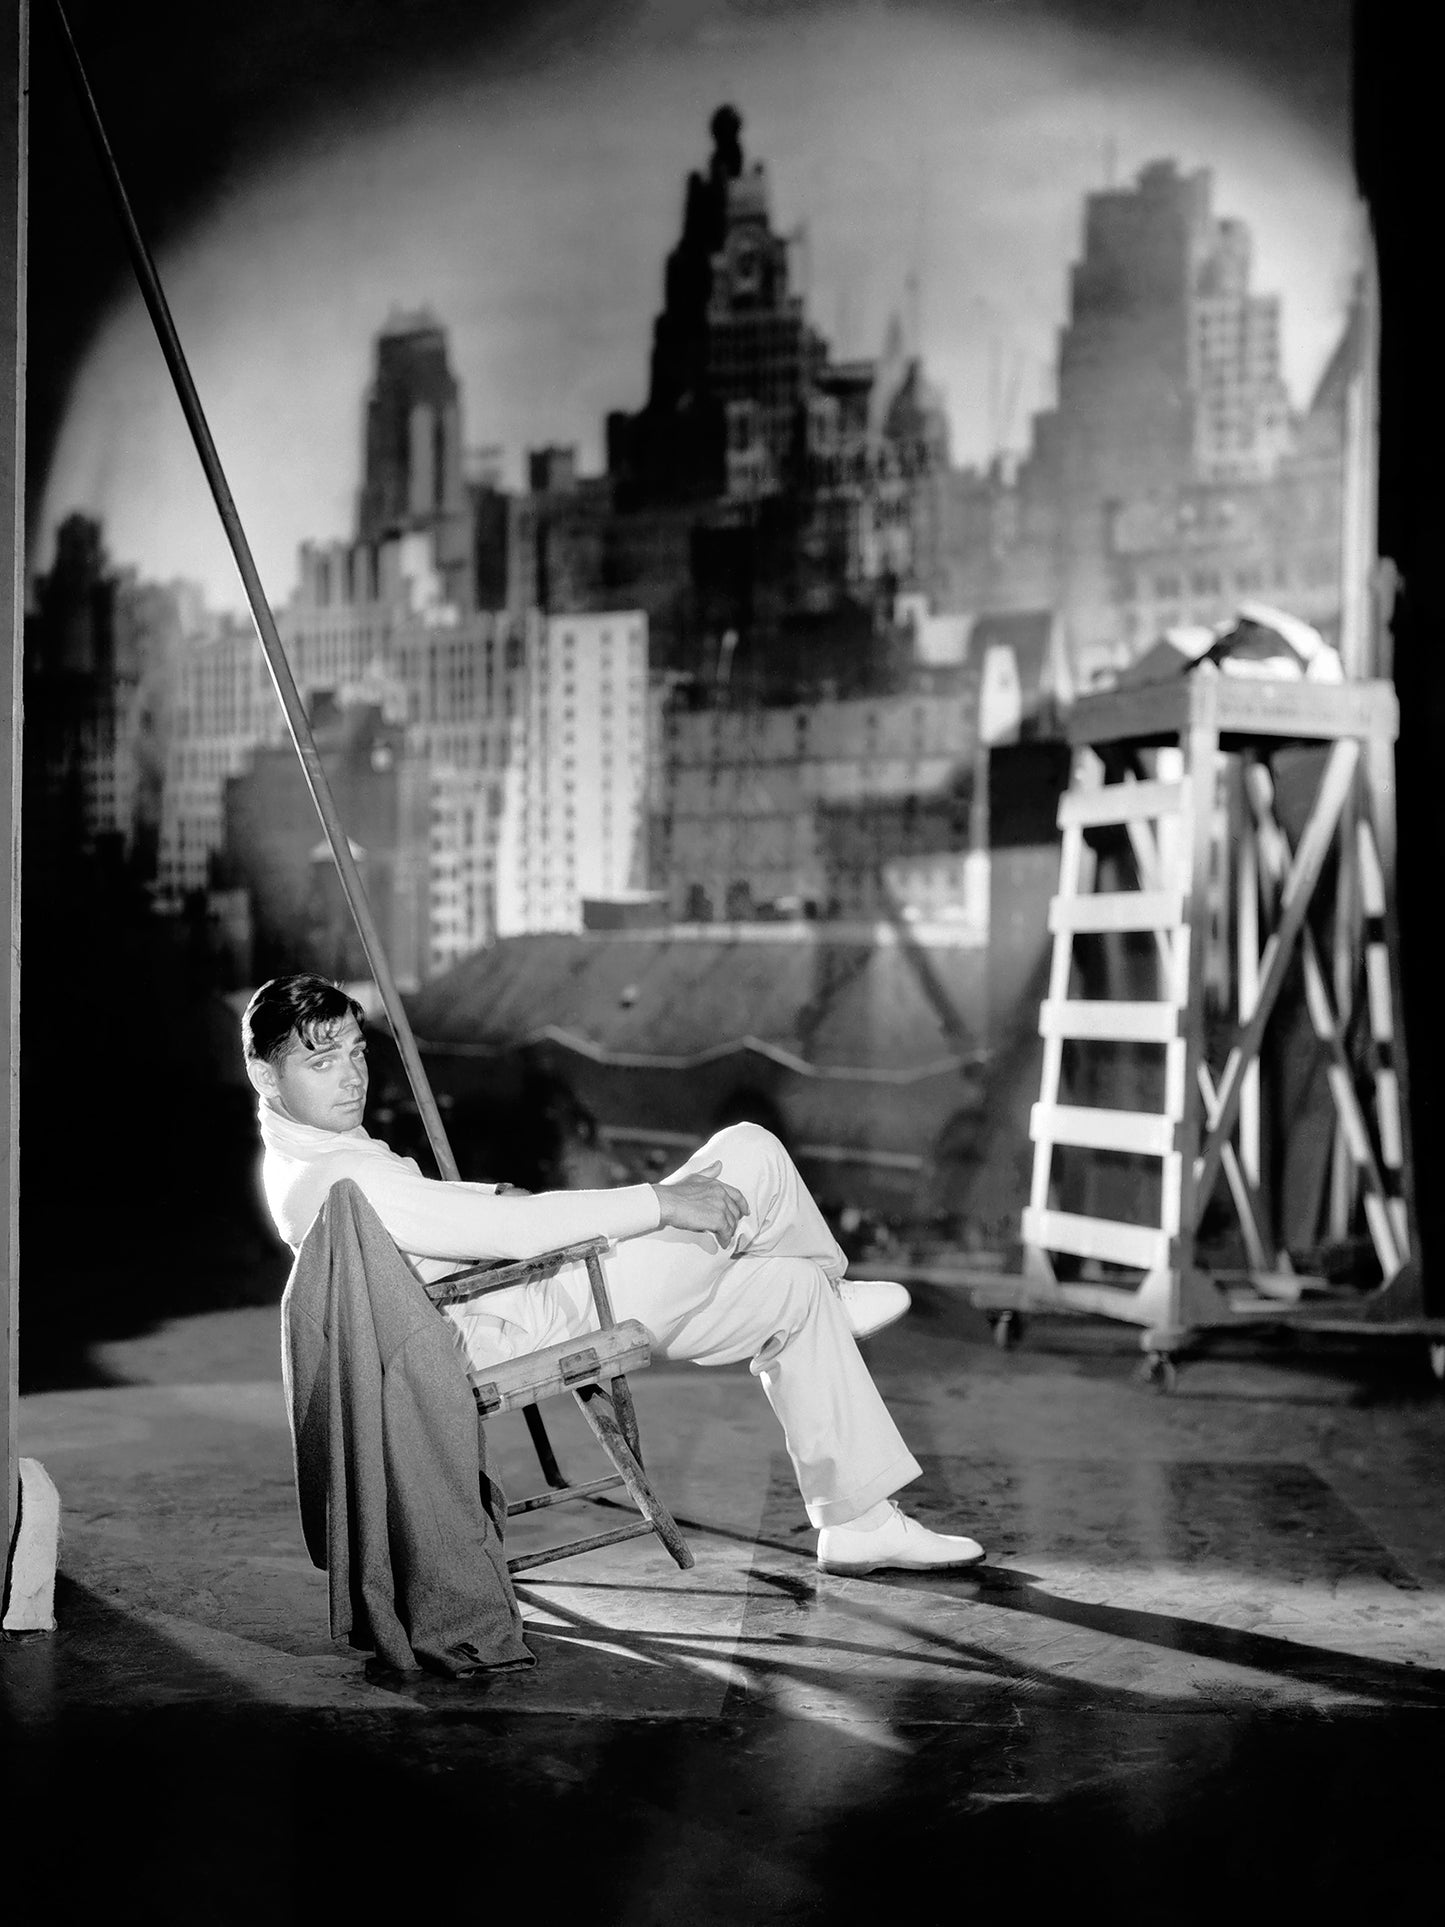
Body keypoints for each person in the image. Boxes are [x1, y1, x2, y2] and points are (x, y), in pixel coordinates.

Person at [244, 974, 985, 1575]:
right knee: (751, 1150)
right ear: (262, 1073)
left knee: (786, 1297)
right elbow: (513, 1233)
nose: (350, 1077)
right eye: (321, 1060)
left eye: (354, 1052)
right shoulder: (340, 1177)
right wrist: (661, 1201)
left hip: (519, 1299)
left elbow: (461, 1222)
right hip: (536, 1311)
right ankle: (833, 1282)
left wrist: (487, 1201)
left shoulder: (306, 1159)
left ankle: (858, 1521)